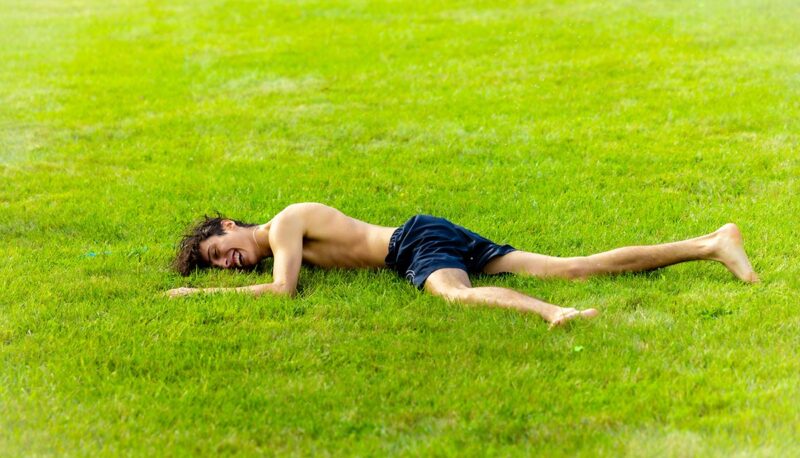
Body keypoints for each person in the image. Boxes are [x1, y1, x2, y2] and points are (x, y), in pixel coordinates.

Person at [167, 202, 758, 327]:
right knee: (574, 263)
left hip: (413, 246)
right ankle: (711, 243)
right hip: (426, 234)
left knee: (454, 294)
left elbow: (282, 292)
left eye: (220, 251)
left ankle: (556, 314)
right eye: (218, 268)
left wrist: (199, 299)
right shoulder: (285, 238)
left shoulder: (286, 223)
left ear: (228, 227)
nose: (227, 264)